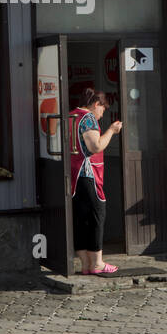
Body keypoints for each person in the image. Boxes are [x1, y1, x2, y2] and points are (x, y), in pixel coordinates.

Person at [67, 88, 122, 275]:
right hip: (87, 173)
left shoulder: (70, 116)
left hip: (74, 174)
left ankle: (85, 265)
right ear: (96, 104)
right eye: (103, 110)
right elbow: (95, 146)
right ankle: (97, 263)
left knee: (81, 219)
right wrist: (111, 131)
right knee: (97, 215)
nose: (101, 114)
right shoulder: (87, 118)